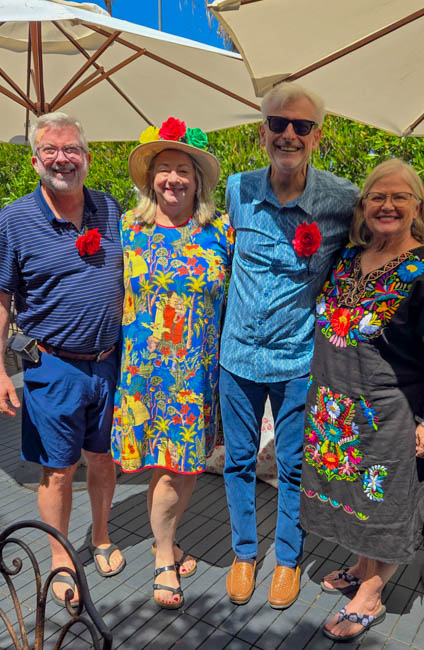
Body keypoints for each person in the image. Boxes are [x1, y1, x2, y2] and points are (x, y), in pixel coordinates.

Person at [219, 82, 424, 610]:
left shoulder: (340, 197)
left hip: (297, 361)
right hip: (239, 355)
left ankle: (288, 560)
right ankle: (244, 553)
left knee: (294, 467)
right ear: (262, 131)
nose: (289, 134)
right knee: (239, 461)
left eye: (302, 125)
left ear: (317, 136)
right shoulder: (237, 189)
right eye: (278, 123)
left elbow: (400, 235)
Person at [300, 159, 424, 642]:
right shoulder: (348, 258)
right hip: (338, 413)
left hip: (393, 416)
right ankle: (361, 568)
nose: (387, 205)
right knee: (360, 501)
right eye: (377, 196)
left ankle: (370, 595)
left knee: (388, 505)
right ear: (363, 205)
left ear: (417, 207)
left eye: (399, 197)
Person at [0, 112, 125, 606]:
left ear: (87, 158)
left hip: (111, 362)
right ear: (34, 161)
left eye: (71, 149)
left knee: (104, 457)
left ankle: (101, 536)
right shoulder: (14, 219)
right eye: (49, 150)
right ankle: (59, 557)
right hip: (52, 366)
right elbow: (2, 298)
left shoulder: (110, 208)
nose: (61, 159)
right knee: (58, 469)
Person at [110, 118, 234, 609]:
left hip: (196, 375)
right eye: (164, 169)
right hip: (143, 374)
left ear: (197, 180)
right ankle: (164, 555)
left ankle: (168, 541)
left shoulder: (221, 229)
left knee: (184, 469)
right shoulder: (127, 228)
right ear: (150, 178)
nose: (173, 179)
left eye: (183, 170)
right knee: (164, 469)